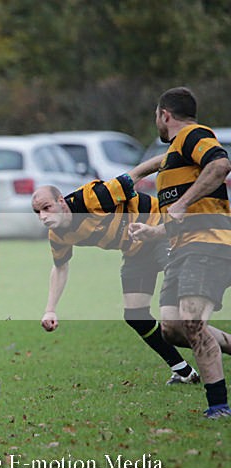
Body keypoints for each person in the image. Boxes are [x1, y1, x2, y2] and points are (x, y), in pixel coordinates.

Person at [31, 177, 219, 385]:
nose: (43, 216)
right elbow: (60, 267)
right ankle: (183, 371)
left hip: (160, 229)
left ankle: (213, 352)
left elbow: (133, 176)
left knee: (177, 307)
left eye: (47, 208)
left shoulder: (91, 197)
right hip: (136, 251)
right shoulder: (57, 235)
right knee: (135, 315)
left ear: (61, 201)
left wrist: (170, 153)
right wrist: (50, 309)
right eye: (38, 212)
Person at [127, 87, 231, 419]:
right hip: (181, 247)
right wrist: (153, 231)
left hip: (209, 242)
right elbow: (176, 218)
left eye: (156, 117)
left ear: (164, 115)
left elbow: (221, 164)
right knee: (173, 328)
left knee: (192, 320)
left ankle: (218, 405)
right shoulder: (176, 156)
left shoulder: (192, 136)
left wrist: (183, 204)